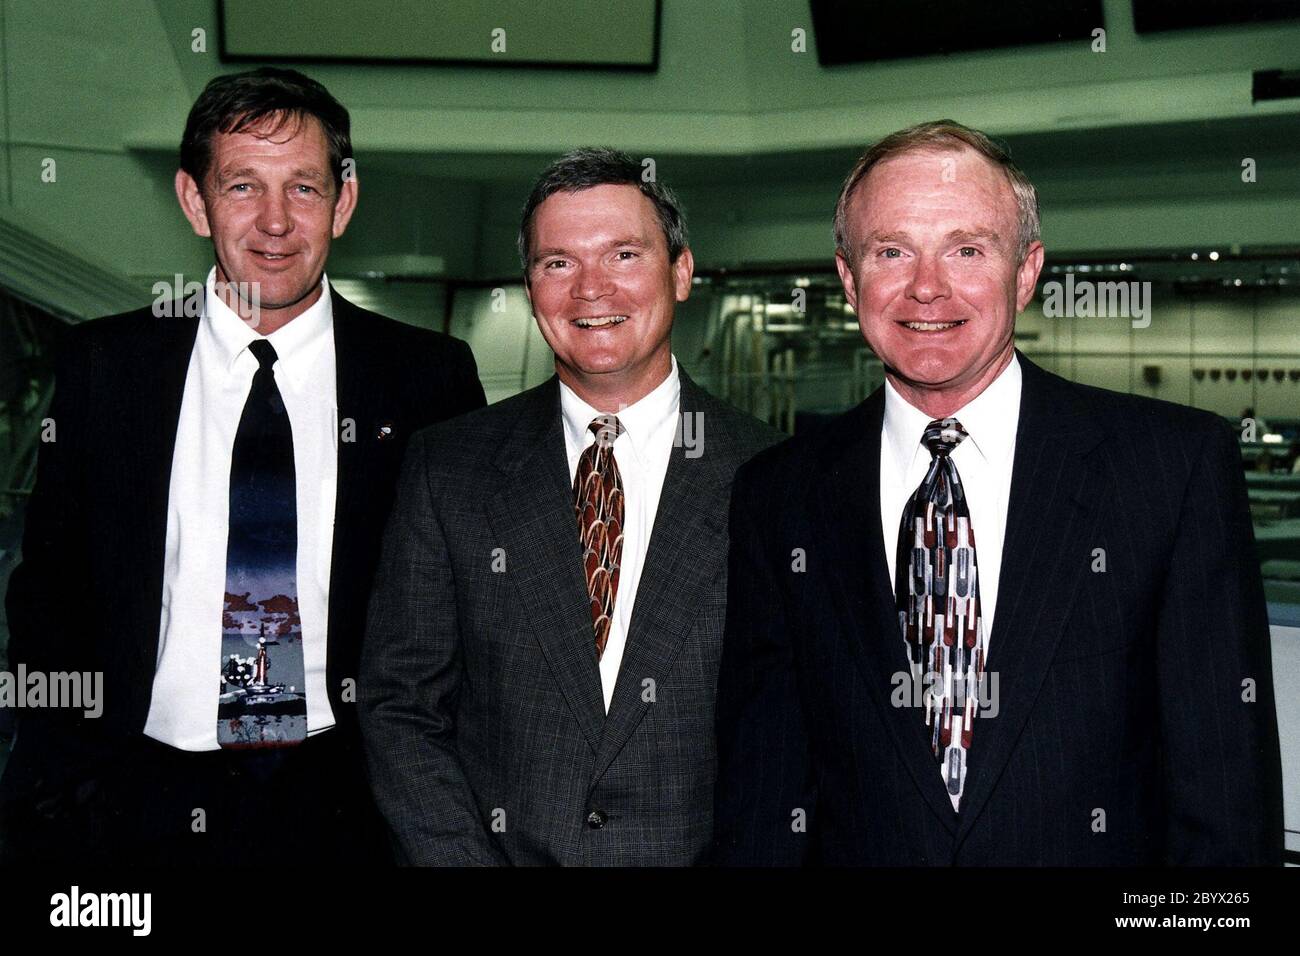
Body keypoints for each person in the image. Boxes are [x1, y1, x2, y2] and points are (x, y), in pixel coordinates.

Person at [714, 120, 1283, 866]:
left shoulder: (1169, 472)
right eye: (891, 251)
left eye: (967, 249)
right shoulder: (778, 495)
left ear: (1026, 271)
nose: (927, 286)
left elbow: (1225, 800)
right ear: (850, 279)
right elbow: (764, 793)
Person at [0, 67, 485, 865]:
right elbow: (49, 590)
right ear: (195, 202)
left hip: (348, 797)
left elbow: (460, 610)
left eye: (303, 187)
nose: (275, 222)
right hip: (135, 796)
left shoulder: (426, 379)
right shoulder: (106, 369)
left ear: (345, 201)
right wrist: (60, 781)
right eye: (242, 187)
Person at [359, 147, 782, 865]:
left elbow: (792, 736)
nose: (591, 289)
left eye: (623, 254)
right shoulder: (448, 468)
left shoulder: (771, 476)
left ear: (681, 271)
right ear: (530, 287)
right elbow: (400, 704)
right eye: (558, 263)